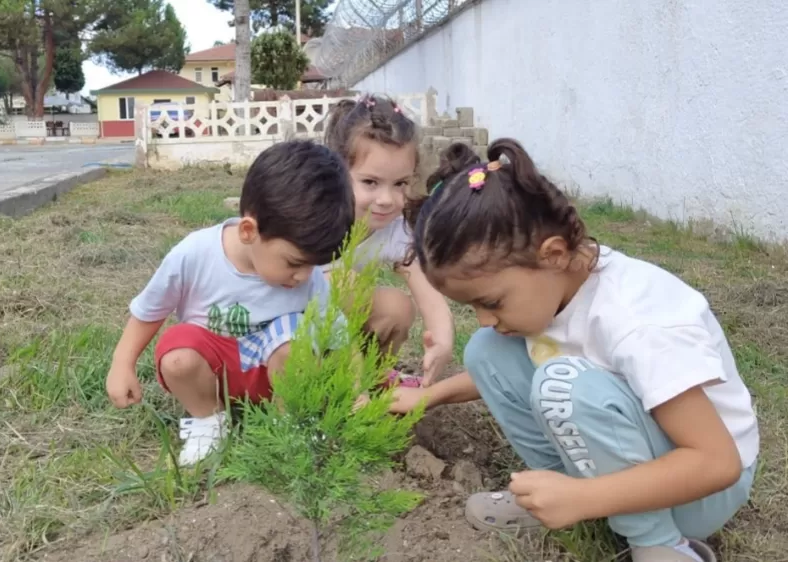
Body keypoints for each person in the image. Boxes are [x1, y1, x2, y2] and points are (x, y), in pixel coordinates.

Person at [391, 140, 759, 562]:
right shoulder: (556, 287)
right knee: (486, 351)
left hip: (700, 493)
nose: (485, 318)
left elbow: (717, 463)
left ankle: (657, 541)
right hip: (647, 459)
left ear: (552, 254)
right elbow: (505, 366)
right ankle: (558, 491)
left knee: (561, 383)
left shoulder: (638, 324)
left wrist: (586, 497)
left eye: (490, 302)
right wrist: (429, 396)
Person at [105, 139, 355, 467]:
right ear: (250, 231)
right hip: (215, 370)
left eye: (314, 266)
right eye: (295, 263)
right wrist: (122, 364)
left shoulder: (308, 280)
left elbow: (335, 337)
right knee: (177, 351)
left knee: (300, 340)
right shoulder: (193, 254)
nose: (304, 276)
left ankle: (287, 423)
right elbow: (149, 310)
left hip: (272, 376)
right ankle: (209, 420)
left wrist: (354, 388)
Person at [322, 94, 455, 388]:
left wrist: (442, 340)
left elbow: (429, 294)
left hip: (340, 325)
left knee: (398, 308)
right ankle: (342, 382)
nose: (386, 200)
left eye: (400, 184)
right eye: (370, 182)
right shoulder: (315, 217)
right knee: (341, 283)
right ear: (337, 173)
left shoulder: (396, 228)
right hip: (291, 332)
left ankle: (373, 379)